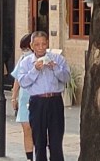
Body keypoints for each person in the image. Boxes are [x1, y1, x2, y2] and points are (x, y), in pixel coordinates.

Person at [13, 31, 69, 161]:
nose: (41, 47)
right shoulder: (26, 62)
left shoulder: (58, 59)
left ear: (47, 44)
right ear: (31, 46)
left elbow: (66, 78)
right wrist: (35, 70)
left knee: (56, 140)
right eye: (37, 44)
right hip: (37, 102)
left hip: (55, 100)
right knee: (39, 140)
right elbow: (23, 82)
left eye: (43, 44)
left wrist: (55, 68)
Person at [11, 33, 35, 160]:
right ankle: (29, 156)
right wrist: (13, 96)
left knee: (36, 129)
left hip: (36, 97)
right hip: (24, 98)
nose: (25, 51)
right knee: (27, 128)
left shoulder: (41, 58)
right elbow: (17, 79)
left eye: (26, 48)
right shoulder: (23, 59)